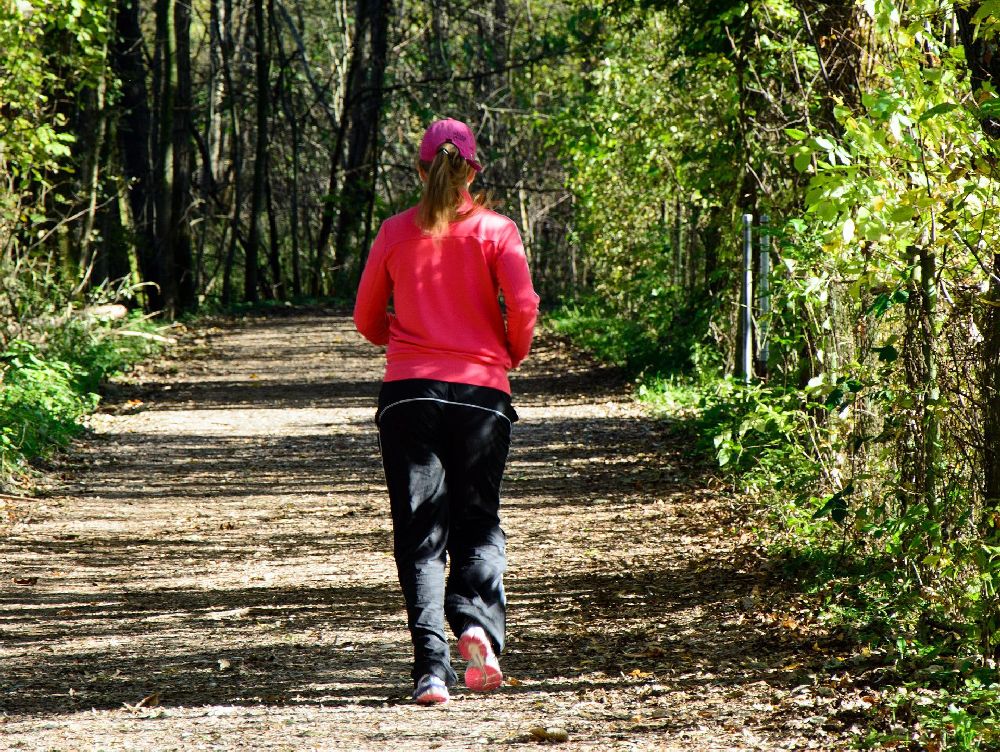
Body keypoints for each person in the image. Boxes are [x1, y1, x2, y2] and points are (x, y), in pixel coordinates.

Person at [353, 118, 539, 705]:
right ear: (471, 170)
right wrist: (509, 352)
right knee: (478, 519)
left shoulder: (393, 232)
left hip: (410, 395)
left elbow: (365, 319)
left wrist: (405, 339)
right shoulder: (496, 230)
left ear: (420, 167)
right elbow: (525, 304)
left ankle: (432, 670)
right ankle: (478, 628)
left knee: (421, 534)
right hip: (482, 394)